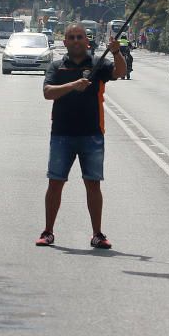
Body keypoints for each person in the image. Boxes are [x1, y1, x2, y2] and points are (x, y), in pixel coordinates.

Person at [36, 24, 127, 249]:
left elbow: (120, 73)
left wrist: (116, 52)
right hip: (62, 135)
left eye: (80, 37)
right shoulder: (57, 66)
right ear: (64, 42)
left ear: (87, 41)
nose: (76, 41)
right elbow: (48, 92)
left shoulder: (98, 64)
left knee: (93, 185)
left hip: (92, 135)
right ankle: (48, 232)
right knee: (55, 183)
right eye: (71, 37)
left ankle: (97, 234)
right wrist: (73, 85)